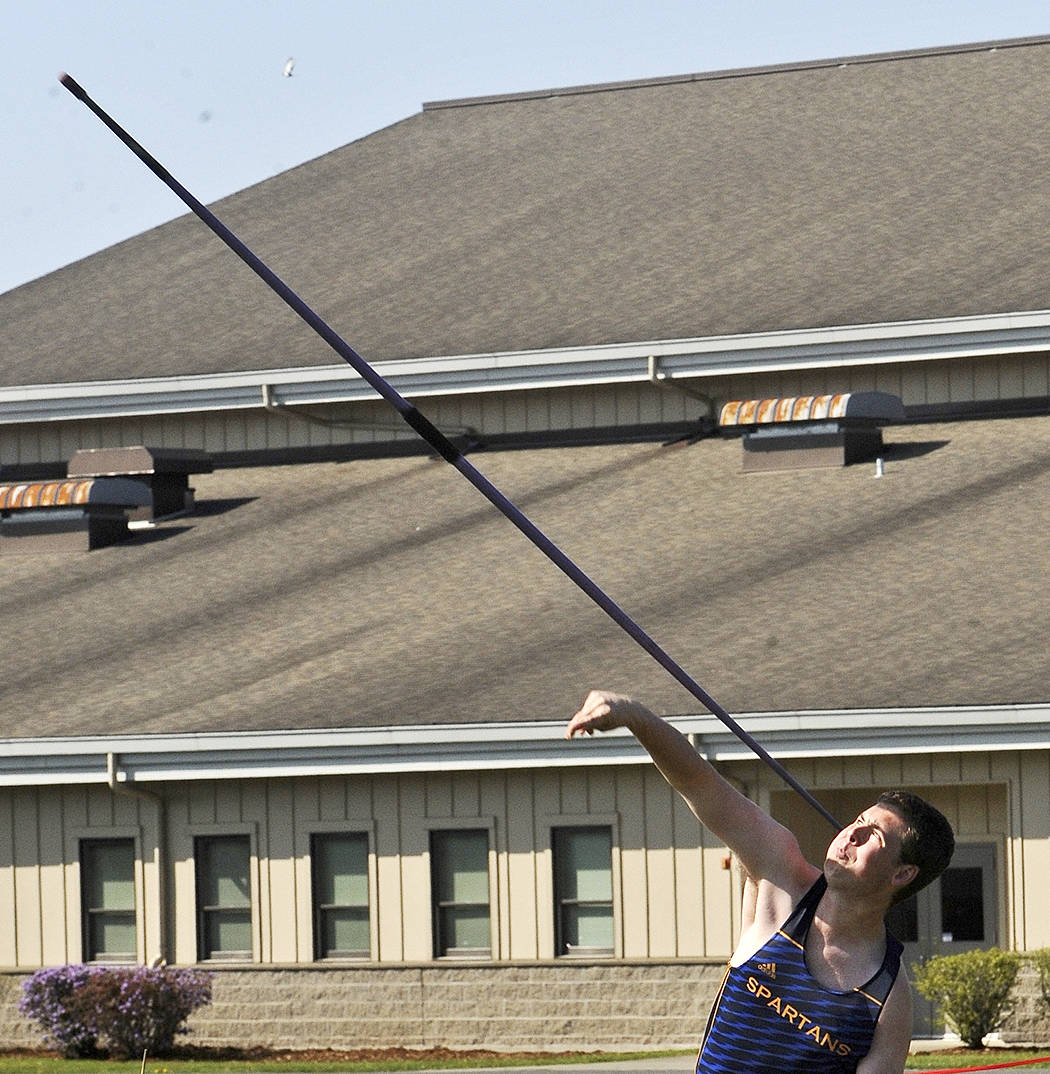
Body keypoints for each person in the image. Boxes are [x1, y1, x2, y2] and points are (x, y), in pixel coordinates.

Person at [565, 690, 955, 1074]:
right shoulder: (781, 880)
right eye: (858, 821)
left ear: (902, 874)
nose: (853, 834)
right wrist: (633, 714)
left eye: (874, 836)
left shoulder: (886, 996)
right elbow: (699, 784)